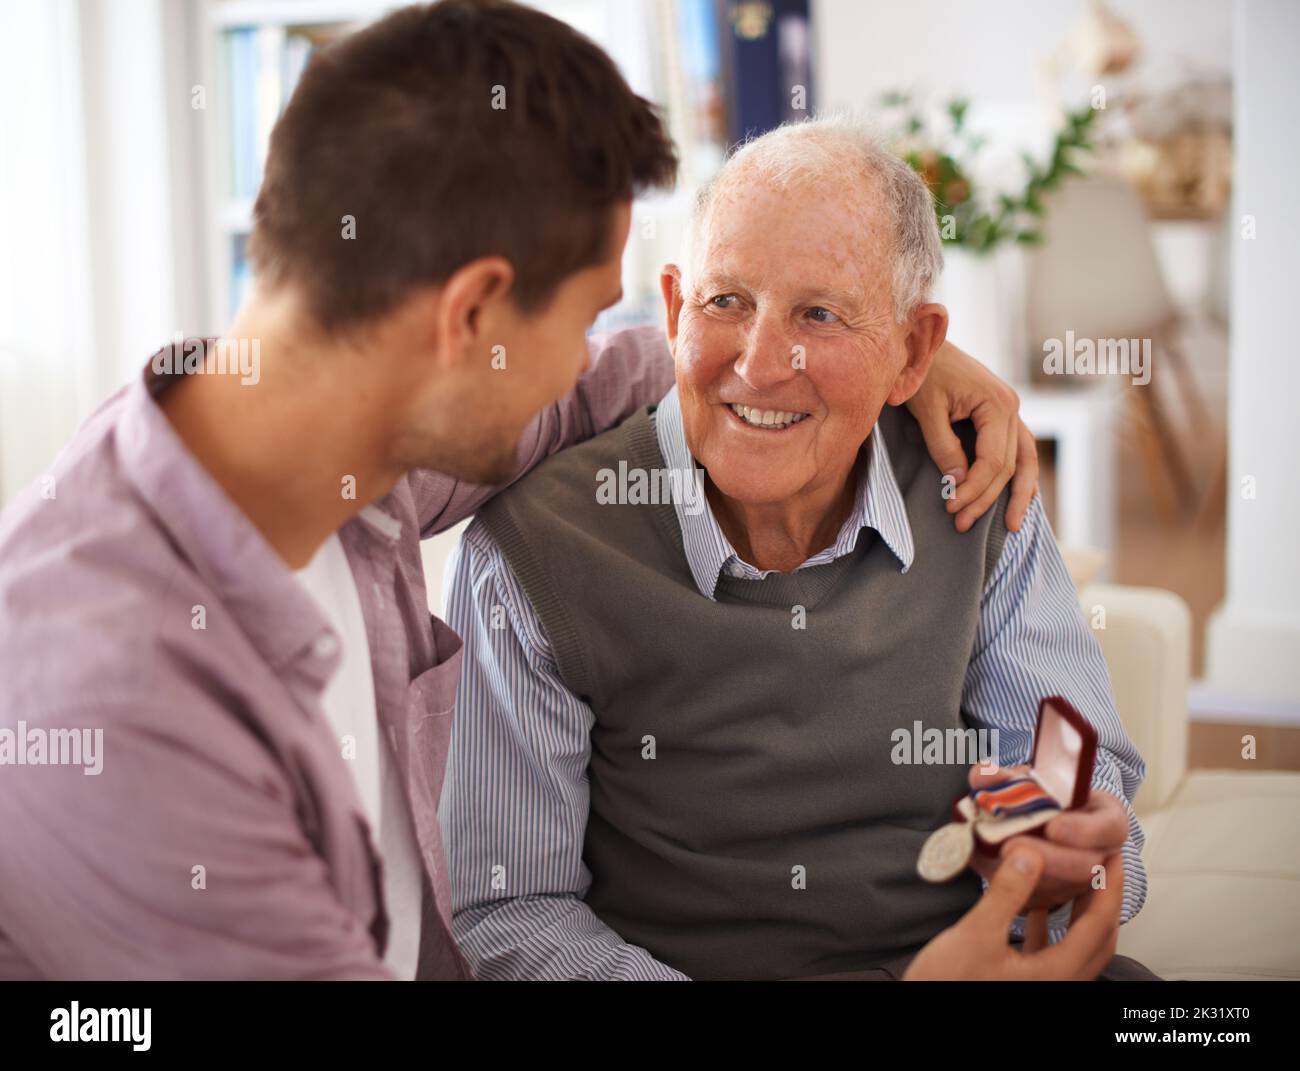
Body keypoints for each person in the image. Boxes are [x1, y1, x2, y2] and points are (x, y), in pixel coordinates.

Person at [1, 0, 1075, 980]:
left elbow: (647, 369)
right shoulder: (123, 704)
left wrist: (883, 361)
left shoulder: (339, 463)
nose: (590, 363)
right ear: (470, 318)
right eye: (578, 320)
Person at [442, 116, 1155, 980]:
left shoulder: (974, 486)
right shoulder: (530, 553)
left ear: (915, 352)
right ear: (673, 309)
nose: (761, 362)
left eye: (819, 313)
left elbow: (1074, 781)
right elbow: (511, 908)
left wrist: (1071, 855)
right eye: (726, 300)